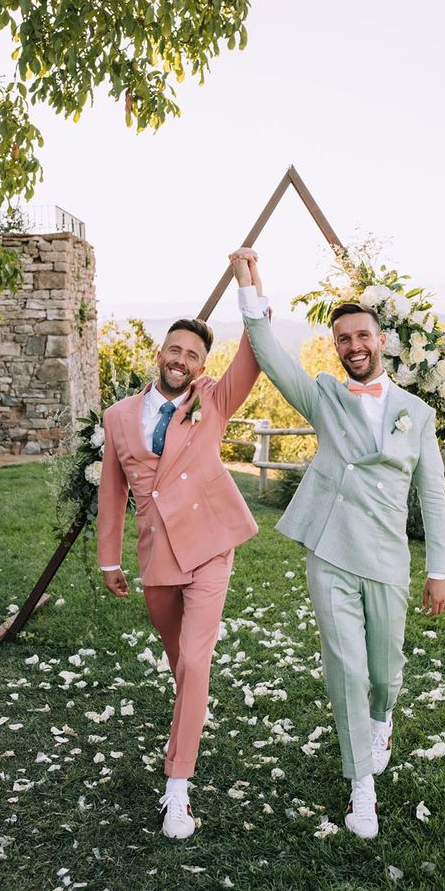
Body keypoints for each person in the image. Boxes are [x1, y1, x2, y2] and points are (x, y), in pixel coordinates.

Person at [230, 249, 445, 839]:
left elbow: (432, 498)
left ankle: (382, 719)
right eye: (342, 339)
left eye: (362, 336)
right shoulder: (324, 396)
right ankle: (361, 786)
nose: (353, 346)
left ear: (382, 341)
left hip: (386, 559)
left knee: (384, 671)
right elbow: (274, 359)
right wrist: (250, 289)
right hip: (329, 549)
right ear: (335, 347)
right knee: (346, 669)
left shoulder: (418, 414)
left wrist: (440, 569)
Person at [97, 317, 260, 839]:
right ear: (160, 352)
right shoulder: (119, 416)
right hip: (157, 556)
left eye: (193, 355)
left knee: (194, 659)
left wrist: (247, 279)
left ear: (203, 366)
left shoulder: (212, 400)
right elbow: (110, 490)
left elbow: (253, 355)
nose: (181, 360)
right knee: (182, 667)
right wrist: (109, 559)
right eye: (175, 349)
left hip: (211, 545)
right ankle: (192, 714)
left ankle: (177, 787)